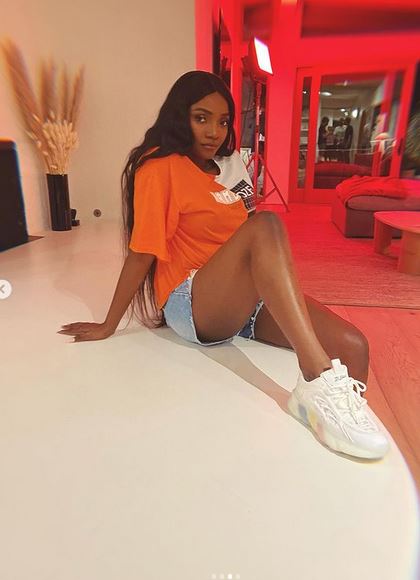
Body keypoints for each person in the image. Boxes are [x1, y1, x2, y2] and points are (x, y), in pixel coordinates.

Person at [58, 71, 389, 460]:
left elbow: (250, 241)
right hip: (192, 299)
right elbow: (142, 251)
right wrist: (108, 324)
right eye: (201, 118)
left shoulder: (226, 167)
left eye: (222, 121)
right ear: (180, 115)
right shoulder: (159, 166)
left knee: (353, 345)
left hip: (243, 300)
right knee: (266, 224)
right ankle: (315, 377)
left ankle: (342, 418)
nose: (213, 131)